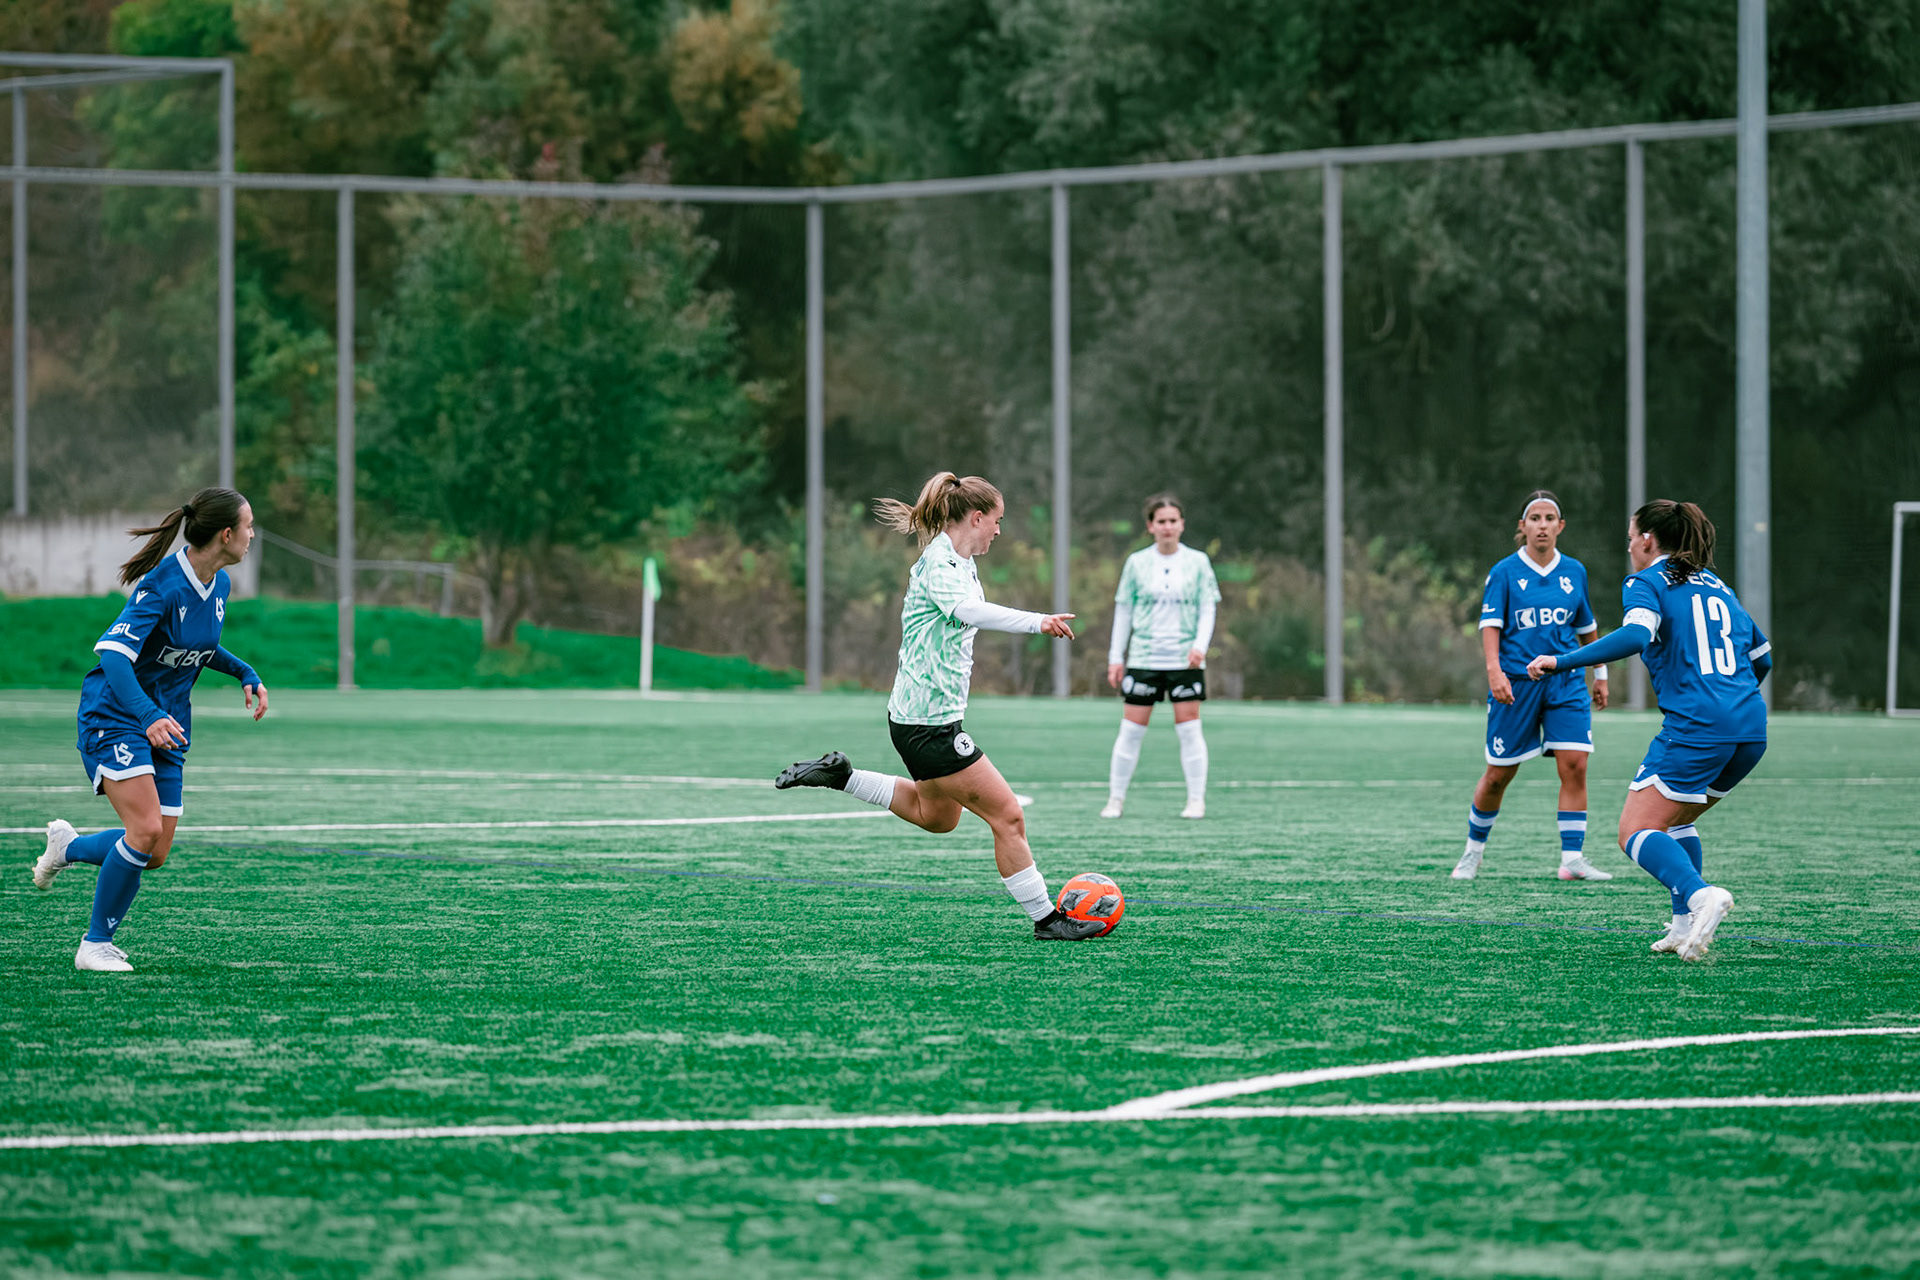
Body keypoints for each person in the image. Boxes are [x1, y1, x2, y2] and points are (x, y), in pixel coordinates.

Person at [772, 472, 1105, 941]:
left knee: (938, 818)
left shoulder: (960, 562)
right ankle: (1047, 920)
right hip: (929, 726)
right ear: (975, 517)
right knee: (1008, 816)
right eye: (997, 521)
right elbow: (970, 612)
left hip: (920, 718)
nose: (999, 531)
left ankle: (842, 774)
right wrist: (1039, 622)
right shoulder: (939, 564)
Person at [31, 488, 270, 971]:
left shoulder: (218, 584)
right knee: (142, 830)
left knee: (154, 850)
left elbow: (199, 646)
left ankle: (68, 846)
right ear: (226, 534)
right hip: (118, 713)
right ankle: (94, 945)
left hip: (168, 722)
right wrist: (147, 716)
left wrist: (245, 671)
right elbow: (114, 656)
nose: (252, 534)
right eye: (248, 526)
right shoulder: (161, 585)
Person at [1526, 499, 1768, 960]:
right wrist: (1731, 700)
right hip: (1751, 728)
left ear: (1647, 540)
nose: (1631, 546)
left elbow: (1636, 636)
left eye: (1631, 537)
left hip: (1700, 725)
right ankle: (1681, 926)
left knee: (1634, 830)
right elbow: (1763, 658)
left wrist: (1562, 662)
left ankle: (1702, 899)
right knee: (1677, 818)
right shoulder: (1718, 586)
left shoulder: (1646, 581)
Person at [1452, 490, 1614, 882]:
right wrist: (1494, 671)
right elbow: (1491, 625)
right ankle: (1473, 852)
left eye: (1549, 518)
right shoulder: (1505, 572)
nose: (1542, 525)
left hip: (1566, 683)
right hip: (1517, 684)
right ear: (1522, 527)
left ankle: (1572, 860)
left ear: (1560, 526)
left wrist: (1601, 674)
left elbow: (1587, 629)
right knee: (1498, 775)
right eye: (1535, 518)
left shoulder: (1574, 571)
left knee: (1574, 765)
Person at [1101, 494, 1221, 820]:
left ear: (1182, 524)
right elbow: (1123, 612)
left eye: (1173, 520)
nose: (1167, 527)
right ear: (1150, 526)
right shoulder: (1137, 563)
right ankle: (1115, 800)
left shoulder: (1197, 562)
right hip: (1143, 660)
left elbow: (1208, 607)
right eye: (1161, 521)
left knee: (1190, 730)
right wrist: (1116, 657)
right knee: (1130, 732)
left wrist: (1200, 645)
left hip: (1185, 662)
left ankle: (1196, 801)